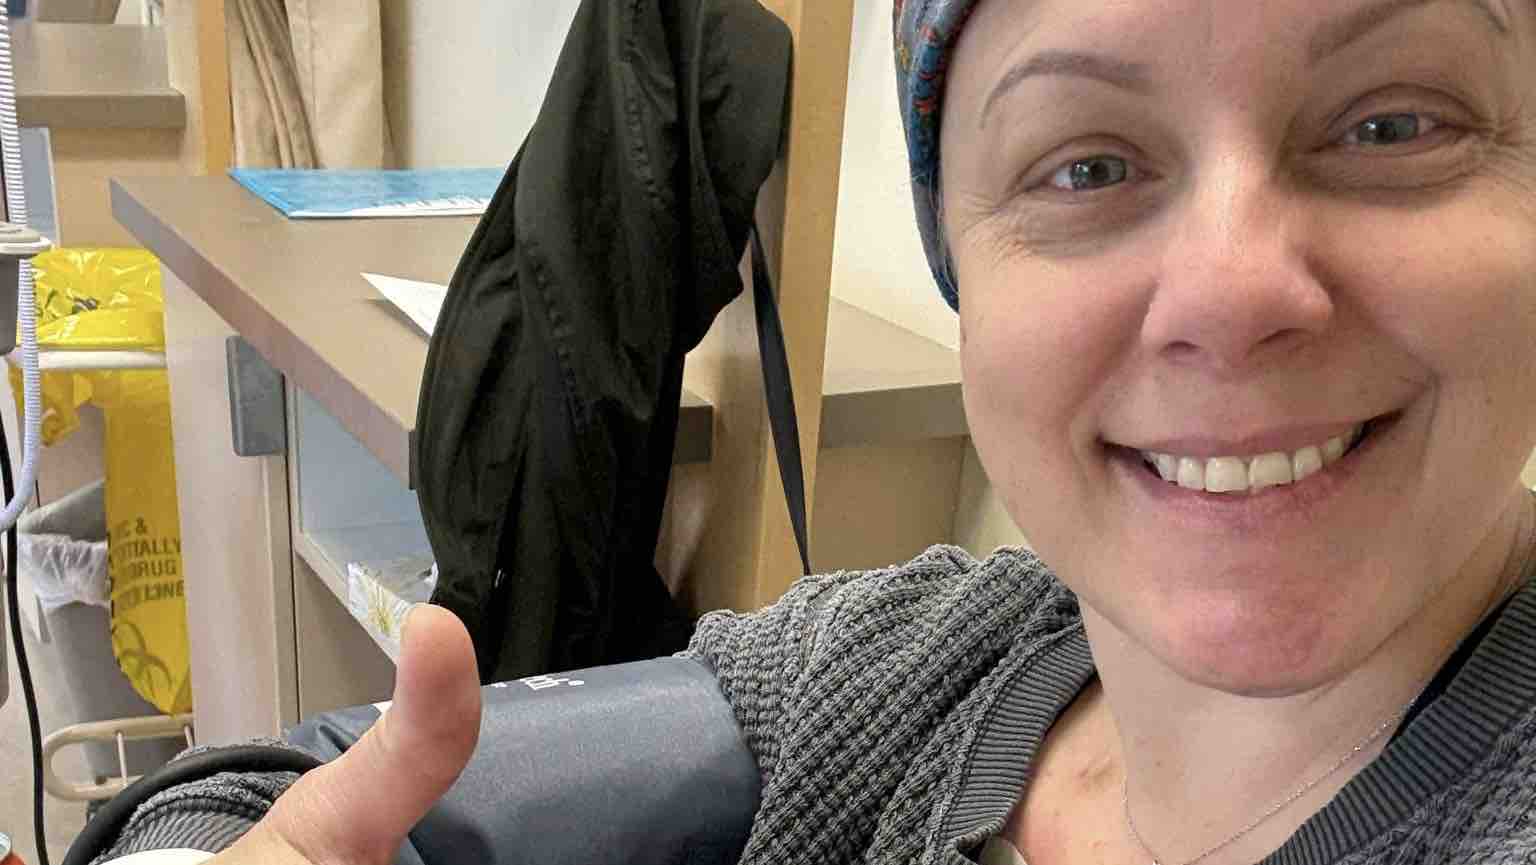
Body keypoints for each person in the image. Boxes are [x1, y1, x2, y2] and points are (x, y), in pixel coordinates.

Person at [98, 0, 1536, 862]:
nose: (1232, 292)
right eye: (1088, 163)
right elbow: (266, 795)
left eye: (1395, 125)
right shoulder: (912, 674)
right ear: (963, 265)